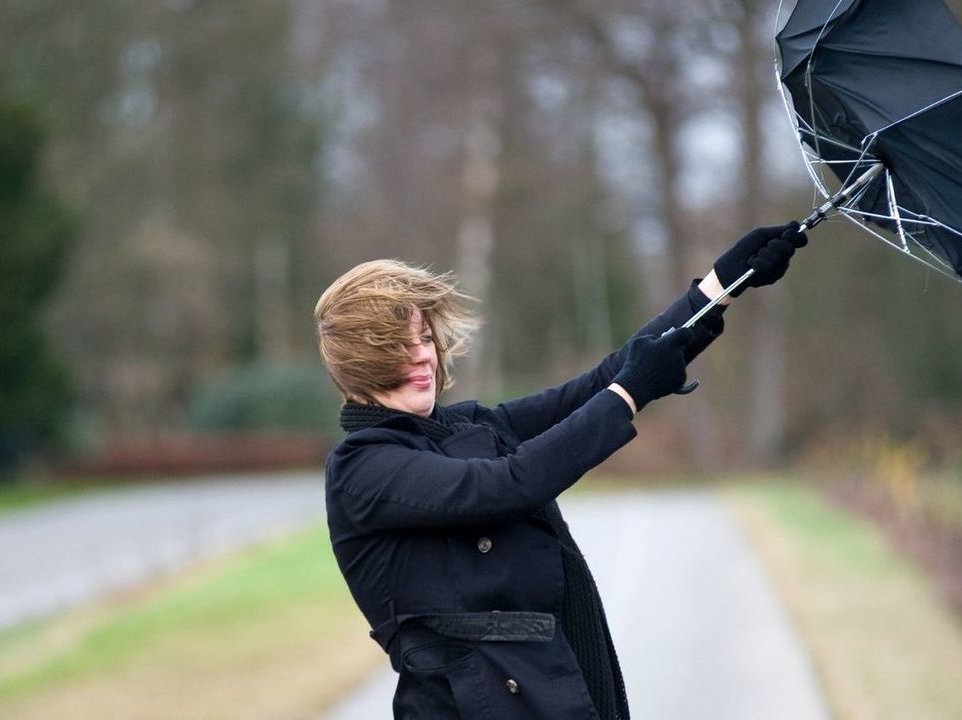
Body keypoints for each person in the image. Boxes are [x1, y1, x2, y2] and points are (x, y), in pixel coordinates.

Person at [316, 222, 807, 719]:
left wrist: (718, 288)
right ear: (361, 362)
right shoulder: (362, 468)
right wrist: (629, 394)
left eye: (424, 337)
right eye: (399, 345)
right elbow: (509, 484)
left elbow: (598, 383)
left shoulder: (464, 426)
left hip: (557, 688)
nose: (423, 353)